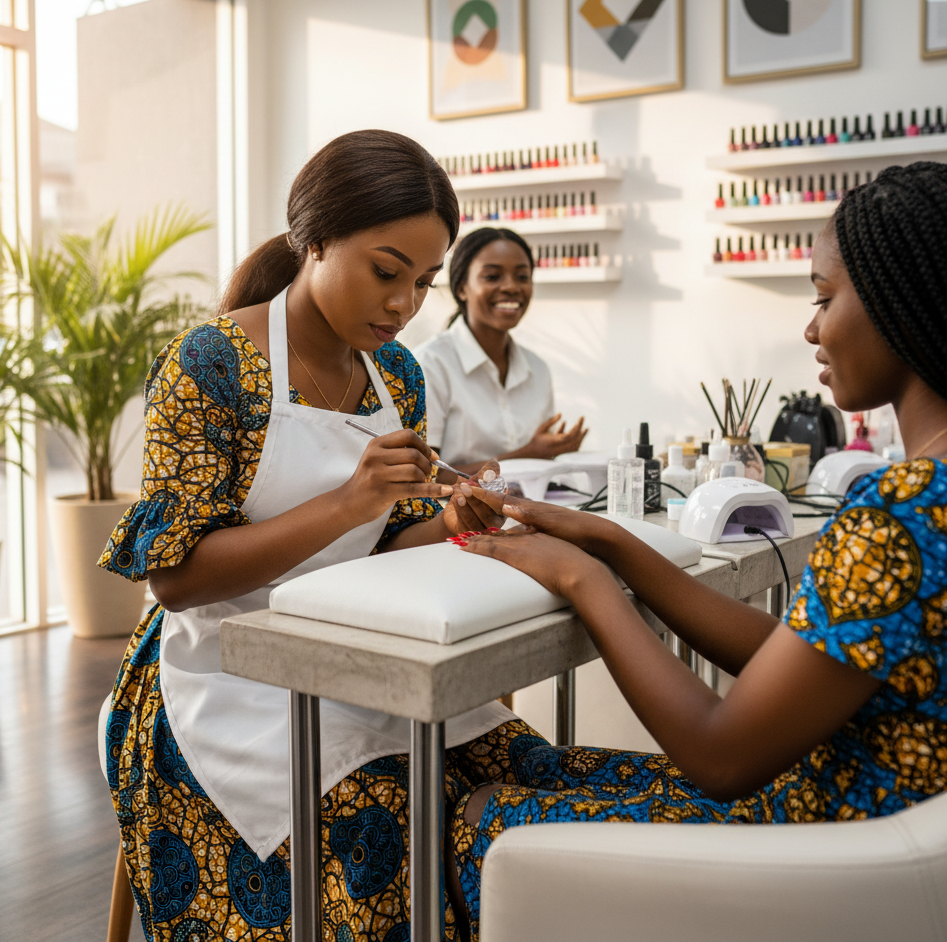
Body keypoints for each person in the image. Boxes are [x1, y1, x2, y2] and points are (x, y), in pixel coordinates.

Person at [449, 161, 947, 940]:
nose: (811, 330)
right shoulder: (929, 494)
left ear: (901, 298)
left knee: (480, 814)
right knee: (518, 762)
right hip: (865, 808)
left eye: (822, 298)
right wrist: (616, 544)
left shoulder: (903, 512)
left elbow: (719, 757)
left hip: (816, 846)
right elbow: (799, 654)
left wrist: (586, 581)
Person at [98, 130, 547, 941]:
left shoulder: (397, 377)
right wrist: (348, 500)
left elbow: (383, 542)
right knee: (383, 817)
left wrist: (447, 520)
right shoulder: (212, 364)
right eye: (385, 272)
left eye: (420, 282)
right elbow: (177, 581)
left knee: (522, 780)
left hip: (351, 653)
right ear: (314, 241)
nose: (403, 304)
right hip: (221, 675)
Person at [415, 227, 588, 475]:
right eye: (493, 277)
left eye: (522, 277)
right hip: (452, 512)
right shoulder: (430, 364)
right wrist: (526, 455)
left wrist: (555, 451)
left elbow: (539, 467)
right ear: (462, 288)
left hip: (526, 508)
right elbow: (426, 475)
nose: (511, 287)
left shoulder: (537, 369)